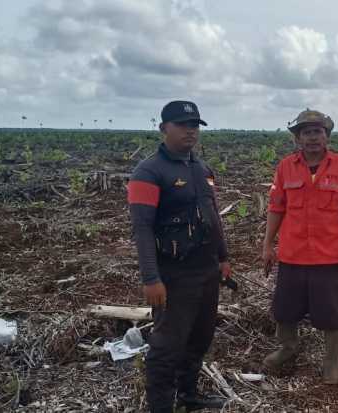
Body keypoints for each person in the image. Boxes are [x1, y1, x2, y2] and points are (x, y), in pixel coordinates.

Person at [127, 100, 232, 412]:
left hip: (207, 270)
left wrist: (223, 258)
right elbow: (142, 228)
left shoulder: (201, 169)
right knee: (166, 346)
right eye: (183, 125)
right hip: (173, 274)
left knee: (200, 337)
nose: (190, 131)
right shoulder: (148, 172)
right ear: (163, 129)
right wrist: (151, 277)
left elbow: (213, 217)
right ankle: (160, 406)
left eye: (195, 125)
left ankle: (188, 394)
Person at [261, 109, 338, 384]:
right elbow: (276, 207)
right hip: (293, 254)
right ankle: (288, 348)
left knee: (331, 312)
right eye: (306, 132)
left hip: (329, 256)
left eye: (317, 131)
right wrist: (268, 244)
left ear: (326, 135)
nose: (313, 137)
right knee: (285, 309)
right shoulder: (285, 167)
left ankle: (331, 362)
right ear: (298, 138)